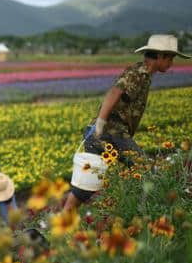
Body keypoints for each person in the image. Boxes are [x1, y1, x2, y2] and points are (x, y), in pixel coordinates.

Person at [63, 34, 190, 211]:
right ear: (160, 56)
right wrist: (100, 122)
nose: (172, 64)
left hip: (100, 134)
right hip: (111, 132)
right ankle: (144, 213)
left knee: (85, 185)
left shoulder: (142, 74)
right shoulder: (138, 73)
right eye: (170, 58)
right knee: (145, 171)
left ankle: (62, 222)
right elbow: (114, 93)